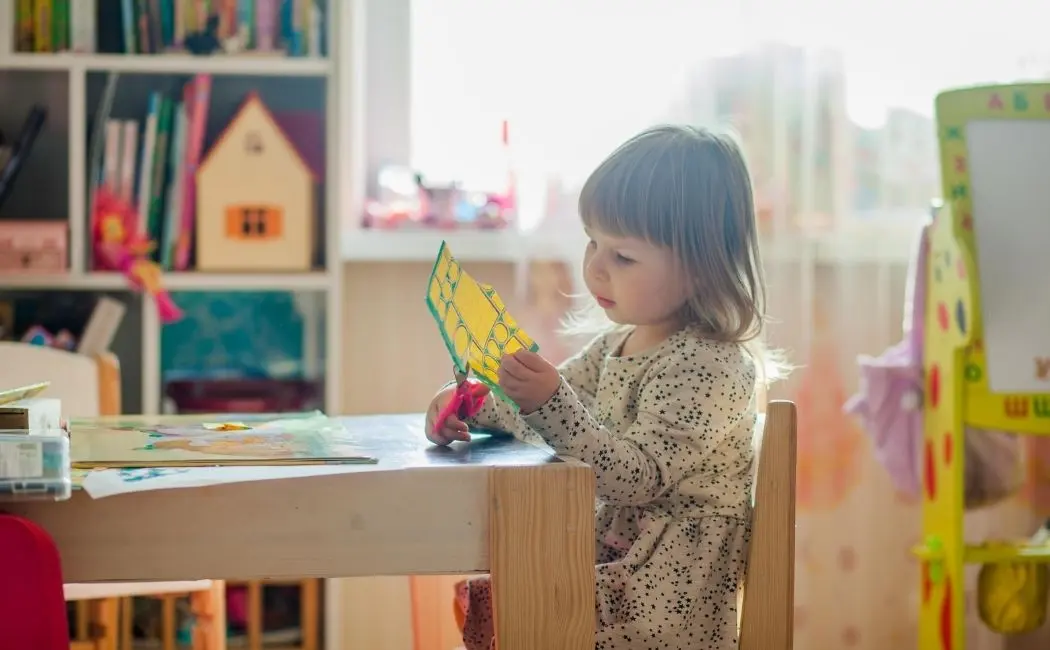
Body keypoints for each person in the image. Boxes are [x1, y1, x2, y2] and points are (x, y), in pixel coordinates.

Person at [424, 124, 786, 650]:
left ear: (702, 269)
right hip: (618, 569)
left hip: (662, 600)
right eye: (593, 242)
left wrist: (550, 403)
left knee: (523, 596)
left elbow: (635, 477)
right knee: (510, 584)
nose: (594, 268)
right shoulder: (619, 343)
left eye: (624, 257)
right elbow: (549, 413)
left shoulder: (712, 366)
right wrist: (474, 405)